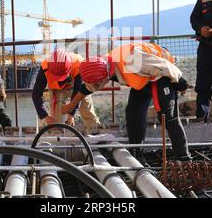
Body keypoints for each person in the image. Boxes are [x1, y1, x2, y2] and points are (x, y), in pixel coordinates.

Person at [61, 42, 192, 161]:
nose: (97, 86)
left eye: (98, 83)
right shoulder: (103, 65)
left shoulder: (132, 60)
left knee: (167, 115)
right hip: (142, 79)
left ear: (106, 74)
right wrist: (71, 106)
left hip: (162, 74)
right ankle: (136, 153)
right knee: (133, 114)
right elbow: (87, 88)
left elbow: (165, 66)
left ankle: (184, 158)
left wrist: (182, 84)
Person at [32, 48, 101, 133]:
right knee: (56, 116)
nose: (59, 79)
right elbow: (36, 94)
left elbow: (78, 92)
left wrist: (71, 114)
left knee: (86, 107)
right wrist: (45, 116)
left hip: (77, 85)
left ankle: (96, 133)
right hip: (57, 89)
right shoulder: (45, 67)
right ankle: (58, 138)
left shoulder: (78, 64)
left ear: (69, 68)